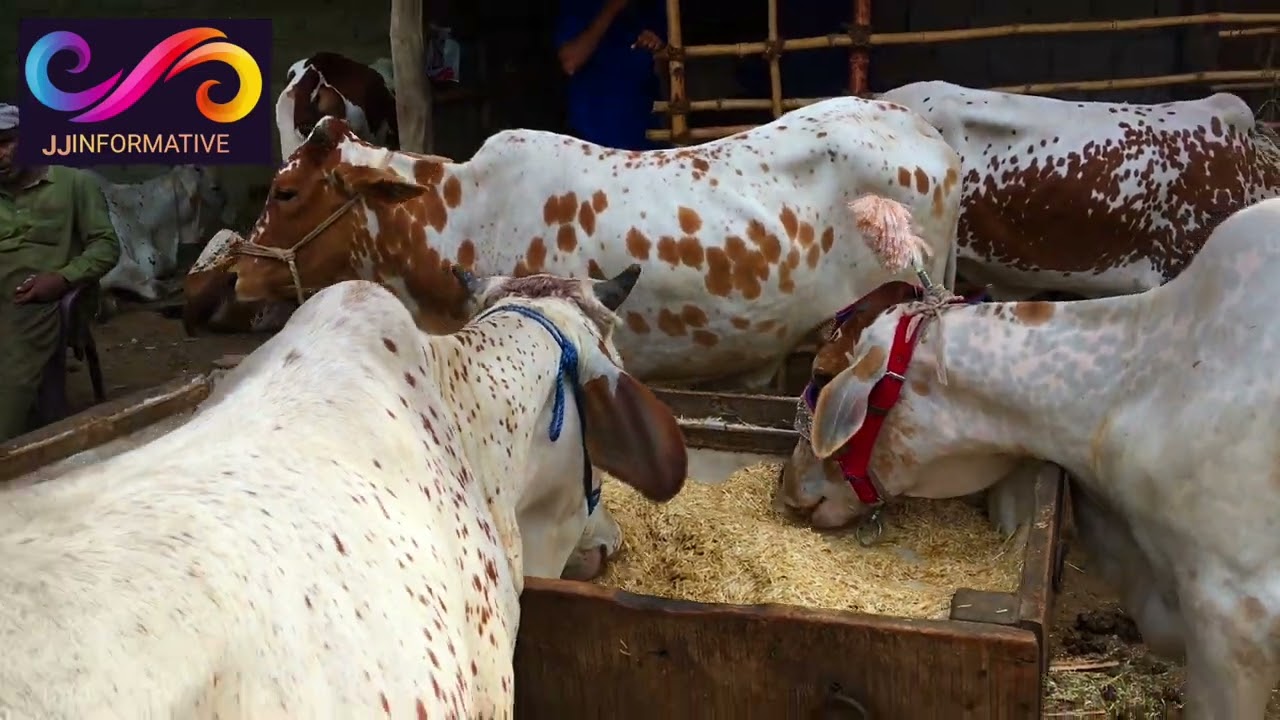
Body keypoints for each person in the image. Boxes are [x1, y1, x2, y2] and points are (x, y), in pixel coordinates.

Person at [0, 103, 121, 442]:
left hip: (38, 298)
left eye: (5, 142)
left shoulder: (74, 183)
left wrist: (62, 279)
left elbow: (106, 246)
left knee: (12, 364)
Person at [554, 0, 667, 151]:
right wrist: (611, 9)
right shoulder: (580, 6)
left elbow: (671, 76)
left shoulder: (654, 8)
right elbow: (571, 62)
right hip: (592, 137)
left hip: (644, 131)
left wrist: (657, 49)